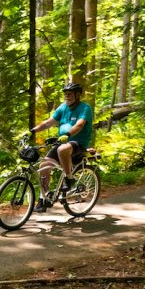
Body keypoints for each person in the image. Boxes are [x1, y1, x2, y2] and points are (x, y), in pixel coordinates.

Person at [29, 82, 93, 211]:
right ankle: (43, 198)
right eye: (65, 93)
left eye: (70, 93)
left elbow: (80, 124)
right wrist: (32, 131)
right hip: (62, 142)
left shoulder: (84, 108)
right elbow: (48, 123)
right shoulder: (62, 108)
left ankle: (69, 179)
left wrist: (68, 134)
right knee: (43, 166)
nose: (67, 96)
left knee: (63, 149)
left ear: (78, 95)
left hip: (78, 143)